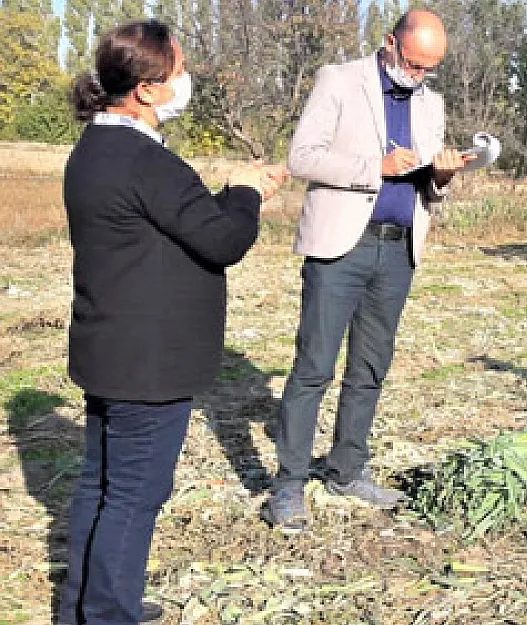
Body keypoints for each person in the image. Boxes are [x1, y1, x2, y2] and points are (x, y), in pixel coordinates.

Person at [59, 19, 288, 625]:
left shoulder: (95, 150)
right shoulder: (142, 159)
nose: (186, 80)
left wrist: (233, 193)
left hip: (110, 350)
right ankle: (109, 613)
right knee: (134, 495)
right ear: (146, 89)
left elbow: (171, 223)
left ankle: (89, 603)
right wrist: (243, 193)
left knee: (101, 486)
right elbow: (222, 241)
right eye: (179, 71)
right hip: (148, 365)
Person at [262, 9, 472, 533]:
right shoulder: (339, 80)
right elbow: (302, 156)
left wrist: (442, 177)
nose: (419, 76)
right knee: (314, 367)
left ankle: (346, 472)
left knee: (371, 369)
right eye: (414, 63)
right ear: (389, 43)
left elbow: (430, 187)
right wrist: (372, 168)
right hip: (340, 248)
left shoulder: (432, 104)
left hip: (397, 250)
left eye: (430, 69)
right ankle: (287, 486)